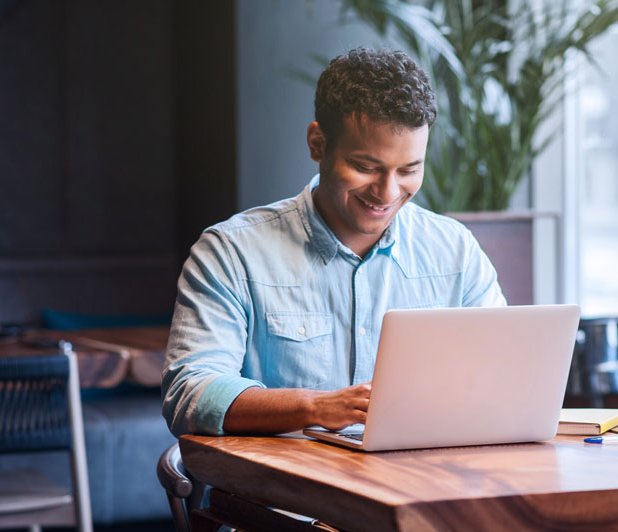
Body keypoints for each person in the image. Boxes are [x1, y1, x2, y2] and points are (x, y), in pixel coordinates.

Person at [162, 48, 506, 438]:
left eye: (409, 170)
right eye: (366, 167)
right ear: (318, 144)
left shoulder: (455, 251)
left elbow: (502, 380)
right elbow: (190, 394)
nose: (388, 192)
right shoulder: (231, 253)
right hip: (283, 495)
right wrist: (317, 407)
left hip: (421, 485)